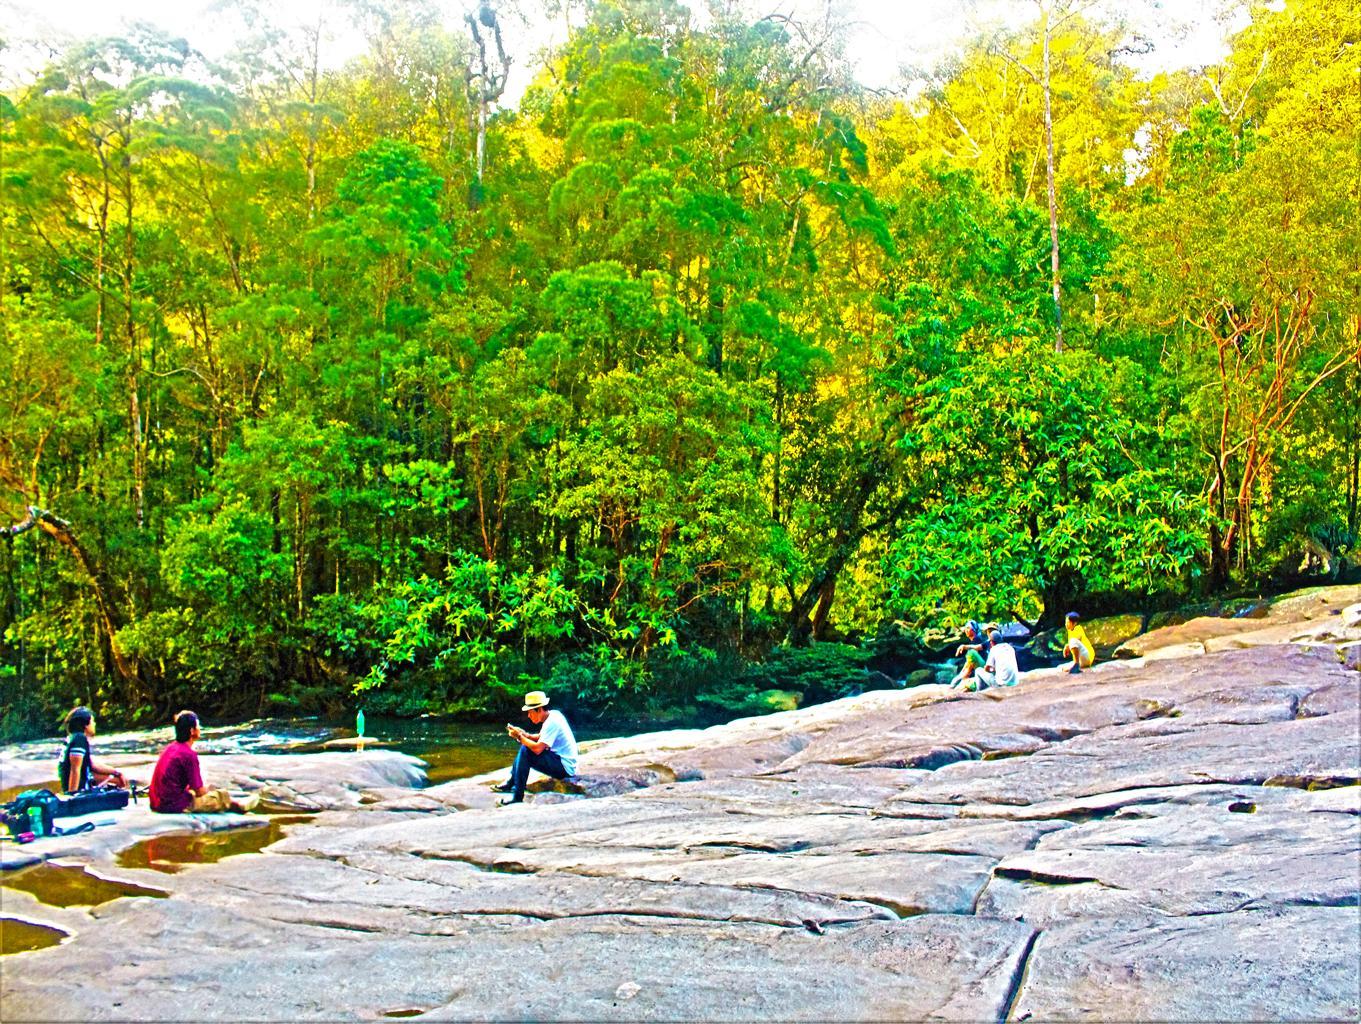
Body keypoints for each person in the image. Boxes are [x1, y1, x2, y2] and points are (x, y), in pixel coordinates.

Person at [148, 711, 248, 814]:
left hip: (157, 803)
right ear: (192, 731)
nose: (200, 729)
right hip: (173, 805)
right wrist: (208, 790)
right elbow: (199, 791)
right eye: (198, 726)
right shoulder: (189, 755)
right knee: (221, 796)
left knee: (201, 791)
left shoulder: (170, 748)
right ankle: (240, 807)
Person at [492, 691, 578, 806]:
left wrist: (520, 737)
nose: (529, 716)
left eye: (530, 712)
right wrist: (525, 734)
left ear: (540, 709)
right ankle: (511, 783)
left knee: (526, 750)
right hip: (560, 761)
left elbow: (537, 749)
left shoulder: (552, 722)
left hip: (564, 768)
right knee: (525, 748)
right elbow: (541, 737)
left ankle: (517, 796)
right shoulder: (553, 715)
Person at [58, 706, 126, 794]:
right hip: (79, 788)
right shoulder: (79, 739)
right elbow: (75, 769)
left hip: (84, 778)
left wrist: (117, 772)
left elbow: (92, 765)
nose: (94, 724)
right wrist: (73, 795)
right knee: (119, 783)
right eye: (92, 721)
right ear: (86, 725)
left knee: (118, 779)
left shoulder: (73, 737)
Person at [972, 625, 1020, 690]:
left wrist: (992, 670)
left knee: (978, 670)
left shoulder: (994, 649)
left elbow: (987, 668)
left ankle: (979, 693)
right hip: (1014, 682)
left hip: (1001, 685)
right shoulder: (1010, 647)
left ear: (992, 642)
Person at [950, 620, 992, 688]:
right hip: (979, 668)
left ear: (974, 630)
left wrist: (963, 674)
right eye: (965, 628)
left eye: (968, 628)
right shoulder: (974, 640)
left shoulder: (977, 640)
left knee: (971, 653)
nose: (966, 630)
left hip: (982, 668)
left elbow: (972, 660)